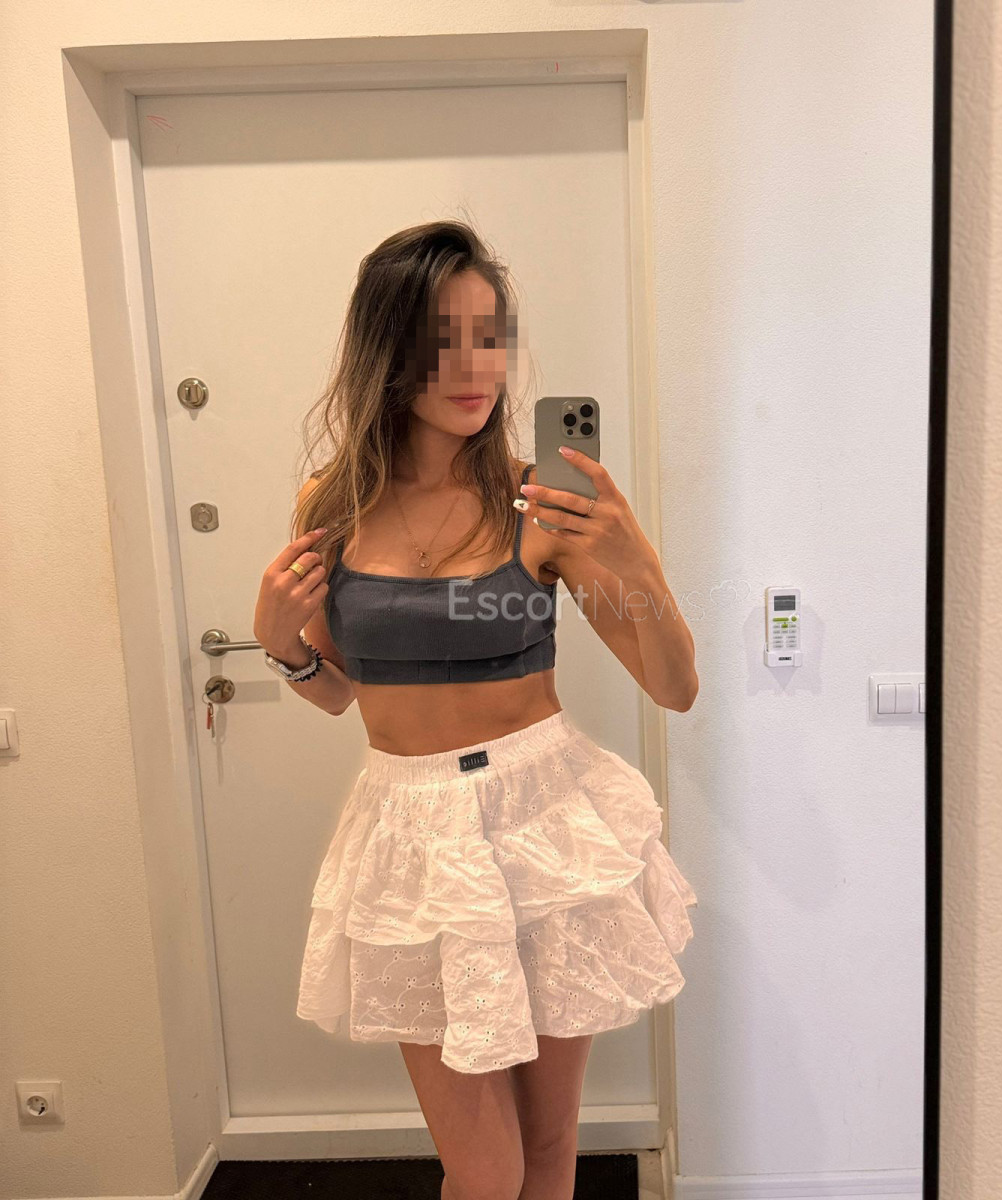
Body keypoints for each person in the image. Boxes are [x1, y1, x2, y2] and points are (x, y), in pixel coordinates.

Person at [253, 220, 699, 1200]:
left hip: (543, 820)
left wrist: (635, 559)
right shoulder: (330, 506)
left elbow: (675, 686)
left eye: (488, 336)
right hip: (413, 834)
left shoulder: (536, 501)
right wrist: (282, 646)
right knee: (485, 1170)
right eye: (440, 338)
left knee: (548, 1148)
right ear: (386, 350)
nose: (473, 366)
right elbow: (339, 692)